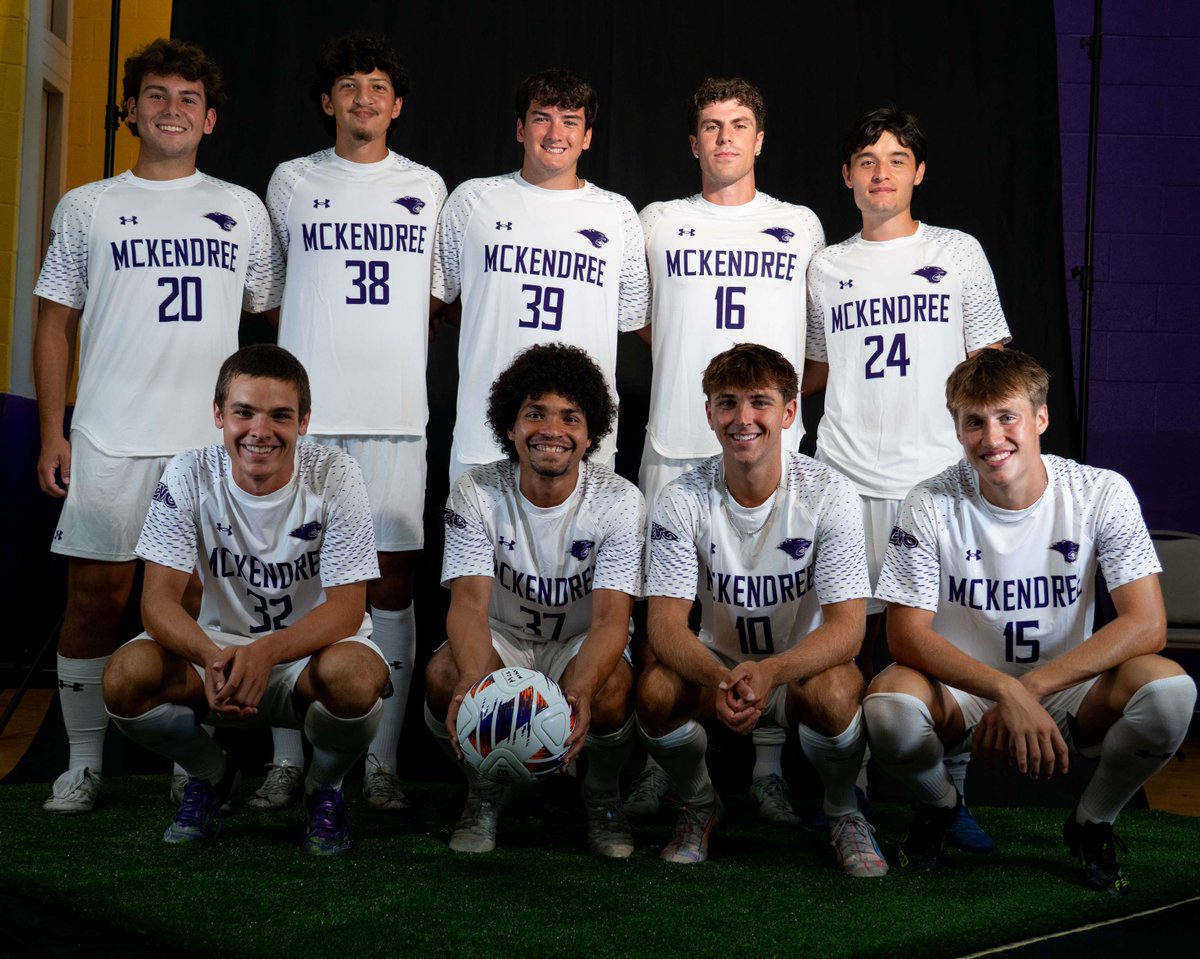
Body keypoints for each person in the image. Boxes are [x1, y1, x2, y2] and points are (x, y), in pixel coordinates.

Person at [33, 38, 282, 814]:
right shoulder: (87, 205)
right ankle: (81, 761)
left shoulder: (242, 208)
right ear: (132, 110)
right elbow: (52, 326)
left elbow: (270, 327)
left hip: (208, 446)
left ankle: (191, 762)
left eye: (186, 99)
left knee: (204, 605)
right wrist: (53, 430)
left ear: (208, 119)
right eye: (156, 96)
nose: (171, 110)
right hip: (109, 433)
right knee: (94, 598)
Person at [864, 348, 1195, 891]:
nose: (992, 437)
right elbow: (905, 636)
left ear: (1040, 418)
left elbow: (1146, 624)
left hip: (1068, 686)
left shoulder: (1100, 492)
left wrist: (1030, 689)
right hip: (962, 689)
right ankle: (941, 805)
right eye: (975, 422)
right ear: (958, 430)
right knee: (887, 710)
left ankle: (1093, 822)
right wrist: (1003, 690)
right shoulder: (929, 502)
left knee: (1171, 694)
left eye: (1007, 417)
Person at [805, 107, 1011, 848]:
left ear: (918, 172)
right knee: (849, 641)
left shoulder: (958, 252)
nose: (881, 172)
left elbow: (993, 366)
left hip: (939, 479)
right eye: (866, 159)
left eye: (896, 159)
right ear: (847, 175)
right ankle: (849, 793)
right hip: (847, 475)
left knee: (943, 634)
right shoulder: (826, 265)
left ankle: (947, 795)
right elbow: (815, 373)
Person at [628, 77, 826, 827]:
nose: (724, 138)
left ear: (760, 138)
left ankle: (770, 769)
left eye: (738, 124)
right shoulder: (657, 221)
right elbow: (649, 323)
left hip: (768, 448)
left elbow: (817, 347)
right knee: (669, 611)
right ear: (692, 142)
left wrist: (766, 412)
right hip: (675, 444)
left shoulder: (800, 224)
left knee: (777, 607)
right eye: (710, 126)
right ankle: (665, 764)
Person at [102, 345, 388, 856]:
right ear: (218, 415)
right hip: (219, 650)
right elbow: (158, 602)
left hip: (308, 655)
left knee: (358, 678)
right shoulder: (189, 472)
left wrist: (267, 652)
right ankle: (212, 775)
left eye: (280, 415)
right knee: (126, 678)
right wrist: (213, 657)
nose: (261, 430)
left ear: (304, 421)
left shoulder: (336, 474)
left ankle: (323, 790)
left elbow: (348, 609)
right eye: (244, 412)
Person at [263, 32, 446, 814]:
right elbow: (269, 291)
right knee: (296, 579)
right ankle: (283, 756)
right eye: (349, 86)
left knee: (391, 583)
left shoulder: (431, 187)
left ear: (396, 105)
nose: (363, 98)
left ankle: (379, 760)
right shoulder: (291, 181)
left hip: (398, 416)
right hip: (310, 420)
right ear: (328, 101)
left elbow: (441, 299)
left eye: (377, 86)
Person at [638, 344, 885, 875]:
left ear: (789, 412)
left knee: (840, 687)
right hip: (719, 672)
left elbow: (847, 630)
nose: (743, 418)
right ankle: (700, 804)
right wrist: (721, 678)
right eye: (727, 403)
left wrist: (771, 671)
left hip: (795, 674)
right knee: (656, 690)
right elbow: (663, 624)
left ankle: (844, 812)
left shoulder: (829, 493)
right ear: (709, 414)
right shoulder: (682, 497)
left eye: (760, 403)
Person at [423, 343, 644, 857]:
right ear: (510, 426)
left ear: (590, 434)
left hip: (577, 639)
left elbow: (613, 622)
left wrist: (581, 690)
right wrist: (476, 689)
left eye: (570, 417)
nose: (552, 430)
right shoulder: (476, 491)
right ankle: (484, 792)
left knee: (610, 688)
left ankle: (601, 795)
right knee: (441, 677)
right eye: (535, 414)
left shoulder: (619, 499)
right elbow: (469, 608)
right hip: (504, 638)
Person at [431, 68, 649, 483]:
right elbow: (439, 299)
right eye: (541, 117)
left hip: (581, 434)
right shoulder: (474, 199)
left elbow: (631, 315)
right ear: (520, 127)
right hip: (485, 430)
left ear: (586, 137)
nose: (555, 132)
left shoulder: (618, 212)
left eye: (570, 121)